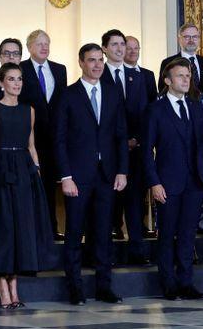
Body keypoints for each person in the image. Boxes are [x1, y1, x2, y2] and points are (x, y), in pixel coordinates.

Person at [0, 62, 57, 309]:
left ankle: (15, 287)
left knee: (20, 229)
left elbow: (32, 146)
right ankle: (2, 286)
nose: (16, 84)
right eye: (12, 79)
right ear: (1, 83)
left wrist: (37, 174)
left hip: (24, 172)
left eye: (19, 79)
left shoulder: (29, 111)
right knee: (2, 228)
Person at [53, 43, 128, 305]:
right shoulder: (68, 95)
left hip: (107, 175)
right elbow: (59, 140)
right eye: (91, 60)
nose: (97, 65)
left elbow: (120, 136)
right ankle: (74, 288)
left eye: (100, 60)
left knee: (104, 232)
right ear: (81, 63)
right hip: (78, 176)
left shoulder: (112, 92)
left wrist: (122, 170)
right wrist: (65, 176)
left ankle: (103, 286)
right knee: (74, 232)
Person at [143, 58, 203, 301]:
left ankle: (186, 282)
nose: (186, 80)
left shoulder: (195, 106)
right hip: (167, 184)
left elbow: (199, 144)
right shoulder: (155, 109)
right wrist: (154, 182)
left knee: (187, 235)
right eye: (181, 76)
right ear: (167, 80)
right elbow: (146, 150)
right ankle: (168, 284)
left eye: (188, 75)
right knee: (167, 235)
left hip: (193, 182)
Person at [160, 23, 203, 234]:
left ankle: (202, 222)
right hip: (176, 126)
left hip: (199, 126)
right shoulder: (168, 62)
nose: (191, 40)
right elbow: (161, 92)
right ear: (179, 38)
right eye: (187, 36)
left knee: (199, 172)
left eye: (195, 37)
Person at [101, 29, 153, 264]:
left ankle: (138, 252)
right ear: (105, 49)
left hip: (135, 151)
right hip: (108, 153)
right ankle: (105, 255)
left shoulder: (140, 77)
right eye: (114, 44)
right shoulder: (97, 76)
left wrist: (137, 140)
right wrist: (120, 142)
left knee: (135, 204)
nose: (120, 49)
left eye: (123, 44)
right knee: (106, 204)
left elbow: (147, 114)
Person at [19, 29, 67, 237]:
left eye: (47, 43)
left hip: (54, 139)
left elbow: (63, 104)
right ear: (29, 47)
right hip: (28, 138)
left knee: (49, 185)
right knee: (30, 185)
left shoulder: (59, 69)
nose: (44, 47)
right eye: (39, 43)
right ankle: (32, 231)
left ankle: (51, 228)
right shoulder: (20, 69)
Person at [124, 35, 158, 238]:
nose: (133, 51)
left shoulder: (147, 75)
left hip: (141, 143)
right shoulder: (110, 75)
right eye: (129, 48)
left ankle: (141, 228)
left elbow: (151, 110)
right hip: (118, 144)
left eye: (137, 48)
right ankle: (116, 226)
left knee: (138, 191)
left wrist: (138, 138)